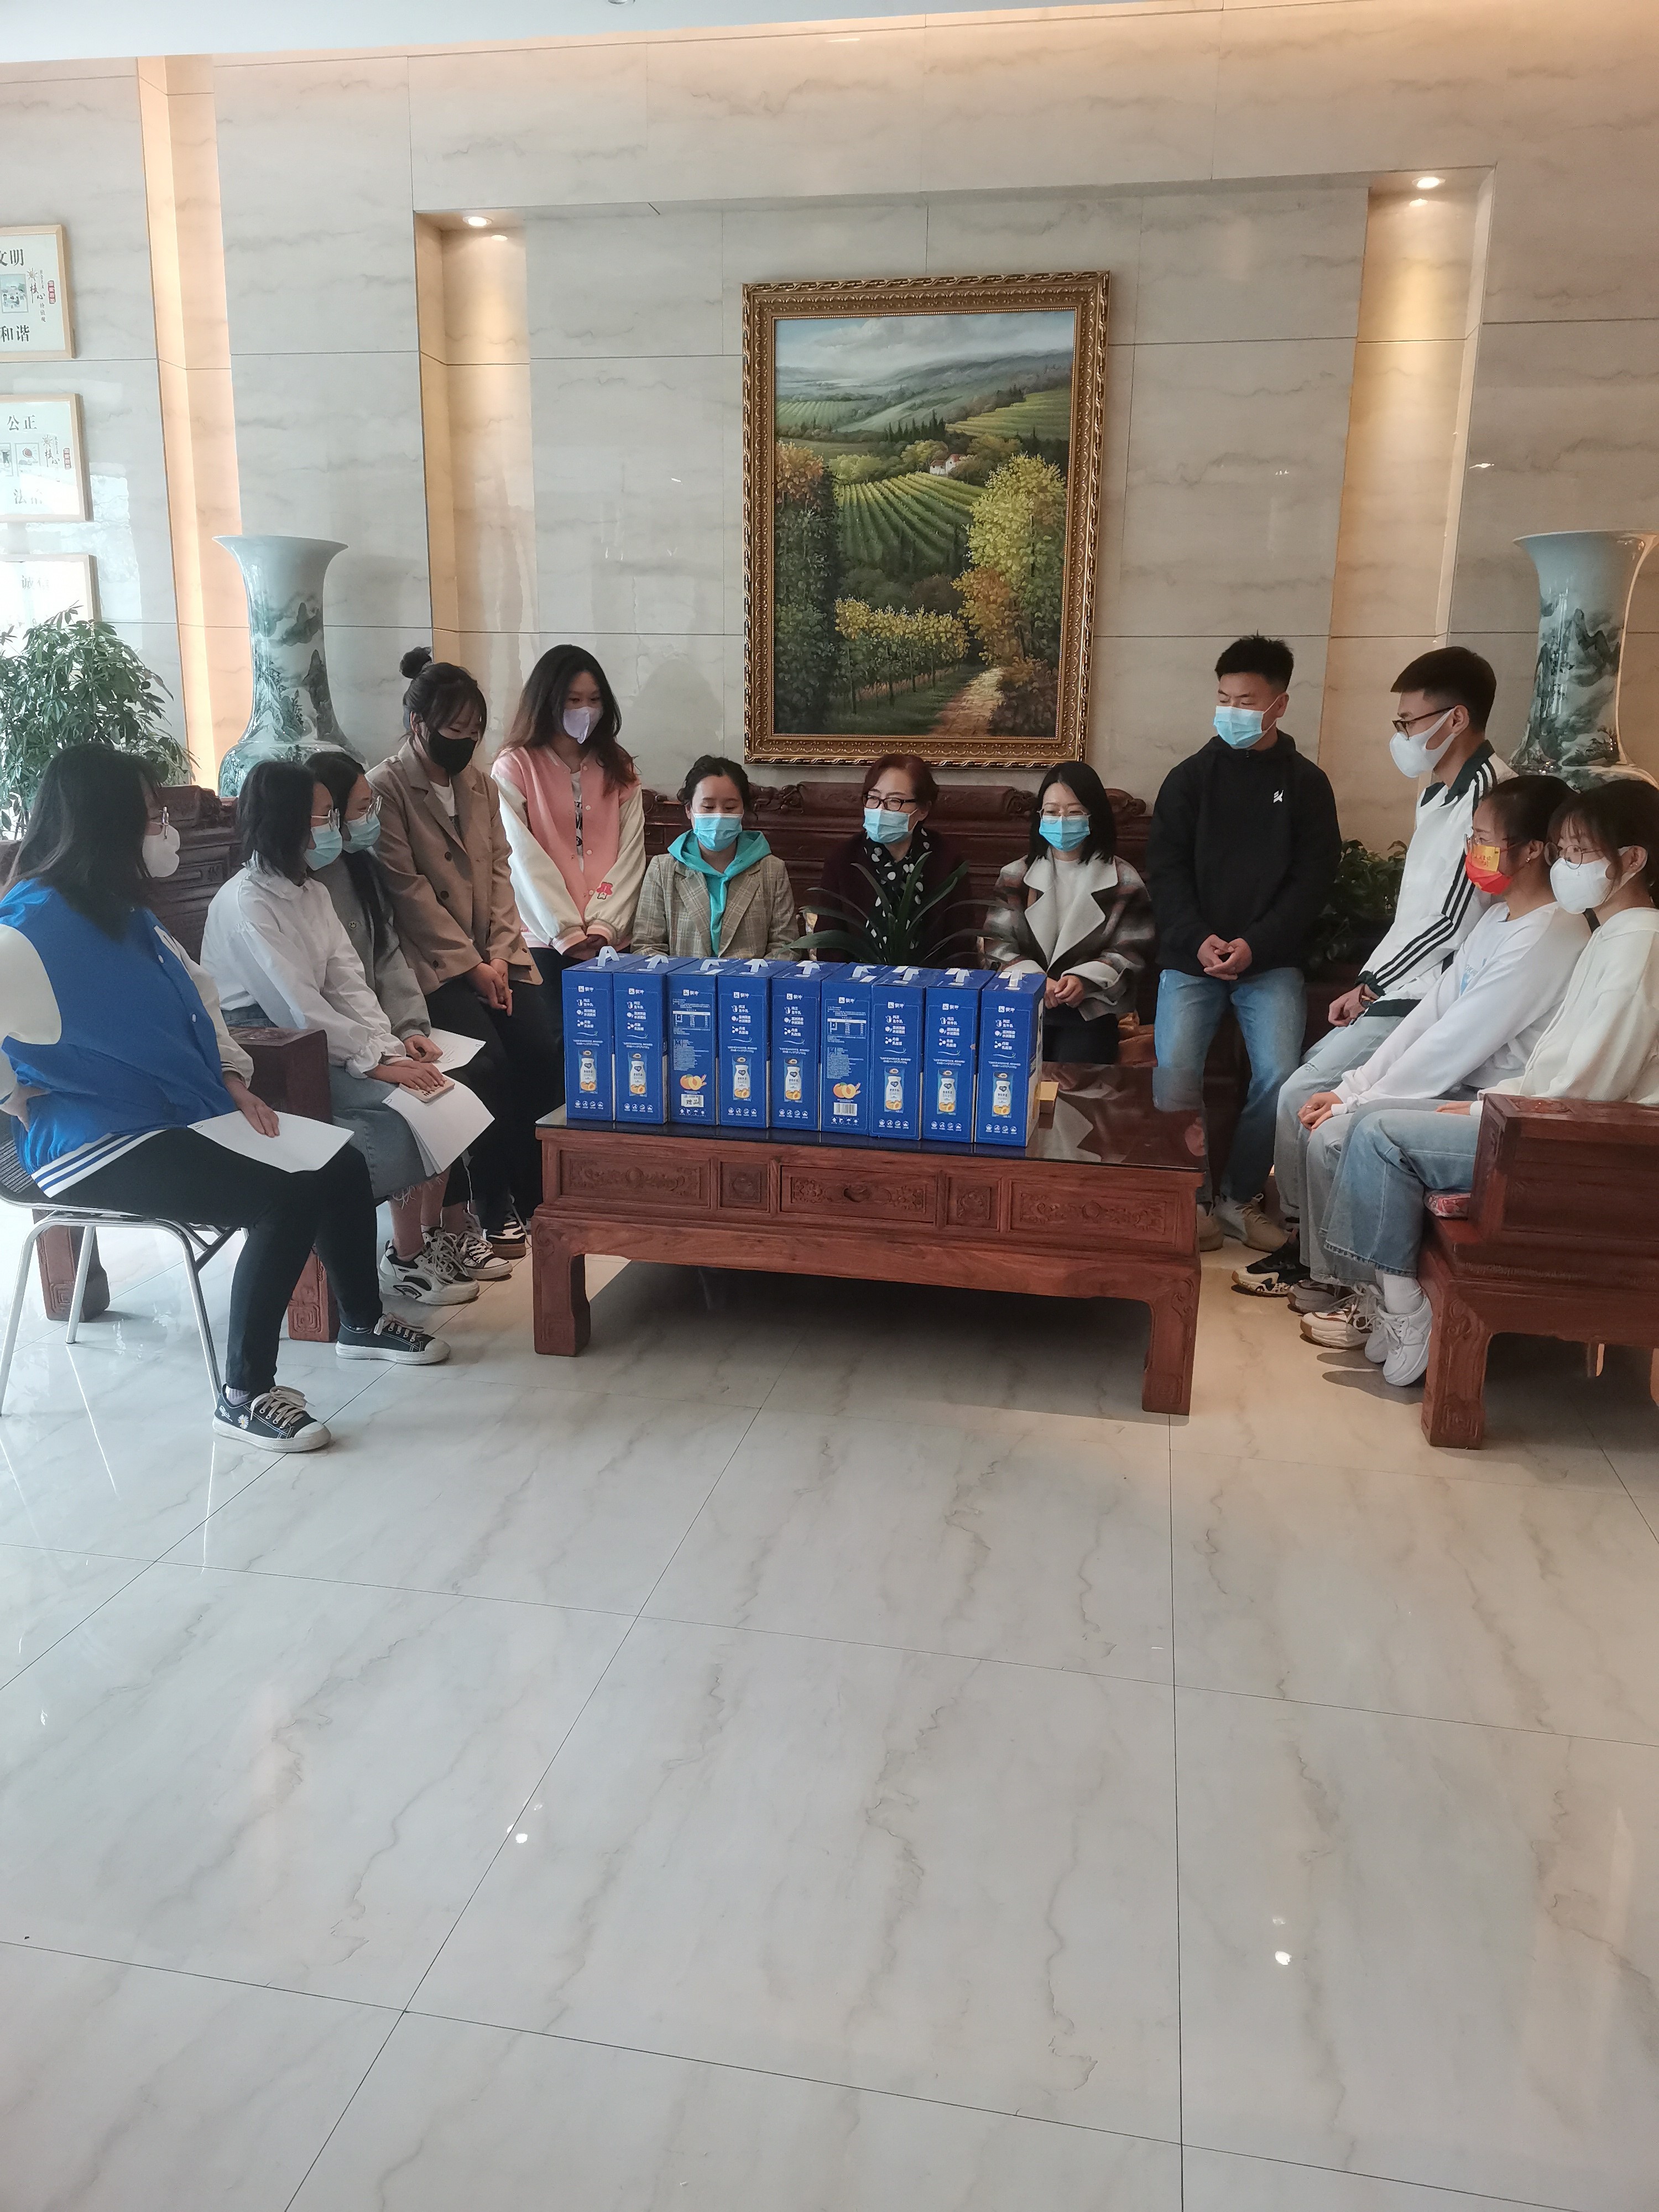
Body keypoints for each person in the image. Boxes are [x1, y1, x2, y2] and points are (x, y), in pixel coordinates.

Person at [0, 748, 446, 1453]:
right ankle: (243, 1393)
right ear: (108, 825)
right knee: (283, 1200)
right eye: (153, 817)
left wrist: (234, 1077)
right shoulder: (27, 927)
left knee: (337, 1162)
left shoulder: (123, 913)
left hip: (177, 1110)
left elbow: (200, 998)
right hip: (92, 1140)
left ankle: (361, 1322)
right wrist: (13, 1099)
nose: (165, 832)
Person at [1311, 777, 1659, 1387]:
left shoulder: (1640, 944)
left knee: (1380, 1136)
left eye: (1581, 852)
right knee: (1365, 1121)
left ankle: (1406, 1311)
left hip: (1573, 1146)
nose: (1566, 866)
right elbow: (1552, 1063)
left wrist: (1482, 1111)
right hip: (1530, 1119)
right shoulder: (1612, 935)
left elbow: (1588, 1088)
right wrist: (1485, 1106)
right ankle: (1388, 1298)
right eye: (1563, 850)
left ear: (1632, 860)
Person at [1251, 775, 1585, 1322]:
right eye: (1471, 837)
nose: (1472, 852)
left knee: (1336, 1135)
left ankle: (1365, 1294)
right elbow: (1433, 1012)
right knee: (1324, 1116)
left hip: (1491, 1100)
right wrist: (1353, 1086)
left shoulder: (1548, 933)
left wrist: (1358, 1103)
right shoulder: (1499, 918)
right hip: (1459, 1086)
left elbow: (1458, 1040)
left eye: (1484, 840)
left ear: (1531, 850)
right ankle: (1333, 1278)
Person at [1241, 645, 1514, 1294]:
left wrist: (1373, 987)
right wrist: (1367, 982)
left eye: (1409, 722)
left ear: (1456, 718)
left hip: (1430, 994)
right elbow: (1412, 911)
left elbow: (1450, 921)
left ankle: (1322, 1264)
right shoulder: (1438, 792)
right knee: (1301, 1092)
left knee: (1301, 1097)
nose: (1402, 736)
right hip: (1397, 986)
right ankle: (1307, 1246)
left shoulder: (1488, 796)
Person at [203, 760, 486, 1308]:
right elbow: (295, 1007)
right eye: (324, 816)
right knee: (401, 1109)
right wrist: (373, 1064)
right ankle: (403, 1256)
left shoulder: (309, 892)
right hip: (268, 1047)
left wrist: (388, 1048)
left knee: (439, 1089)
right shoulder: (247, 904)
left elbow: (348, 982)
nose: (333, 826)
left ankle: (423, 1243)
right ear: (289, 822)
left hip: (320, 1034)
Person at [1145, 635, 1342, 1250]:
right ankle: (1193, 1198)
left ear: (1279, 705)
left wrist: (1256, 944)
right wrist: (1199, 939)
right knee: (1175, 1073)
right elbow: (1166, 873)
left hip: (1270, 960)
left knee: (1282, 1077)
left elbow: (1313, 880)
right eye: (1224, 698)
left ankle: (1240, 1195)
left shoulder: (1307, 784)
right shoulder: (1188, 779)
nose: (1231, 710)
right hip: (1191, 957)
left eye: (1246, 701)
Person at [369, 647, 562, 1255]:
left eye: (475, 731)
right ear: (417, 724)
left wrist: (501, 955)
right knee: (487, 1064)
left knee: (542, 1046)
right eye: (454, 731)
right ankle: (490, 1199)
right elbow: (408, 893)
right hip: (436, 965)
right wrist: (472, 966)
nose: (467, 743)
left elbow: (501, 873)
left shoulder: (480, 784)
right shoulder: (385, 788)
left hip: (495, 952)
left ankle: (539, 1191)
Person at [492, 646, 646, 1003]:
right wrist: (563, 929)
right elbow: (520, 858)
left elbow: (631, 854)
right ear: (548, 701)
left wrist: (606, 925)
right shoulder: (515, 766)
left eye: (594, 700)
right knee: (551, 1030)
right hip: (541, 935)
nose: (585, 710)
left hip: (612, 936)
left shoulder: (618, 766)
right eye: (573, 700)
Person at [984, 763, 1155, 1065]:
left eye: (1074, 812)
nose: (1061, 821)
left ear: (1094, 816)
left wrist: (1083, 980)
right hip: (1022, 1004)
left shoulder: (1123, 879)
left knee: (1076, 1078)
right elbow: (996, 943)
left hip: (1092, 1009)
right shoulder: (1015, 875)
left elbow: (1133, 950)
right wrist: (1036, 980)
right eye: (1051, 812)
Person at [808, 754, 976, 966]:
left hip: (932, 982)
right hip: (856, 981)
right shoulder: (843, 859)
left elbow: (960, 949)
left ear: (923, 810)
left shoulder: (947, 860)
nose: (880, 810)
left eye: (894, 801)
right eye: (873, 798)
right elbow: (830, 947)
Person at [632, 755, 797, 959]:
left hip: (751, 979)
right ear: (689, 810)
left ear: (743, 811)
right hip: (682, 979)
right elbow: (647, 946)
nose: (719, 816)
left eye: (730, 808)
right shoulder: (662, 869)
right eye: (708, 807)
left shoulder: (772, 870)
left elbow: (786, 946)